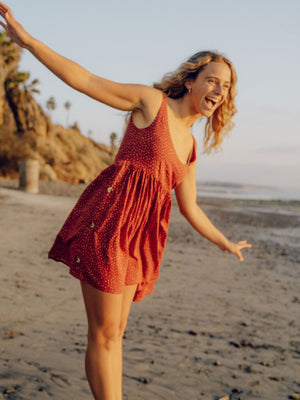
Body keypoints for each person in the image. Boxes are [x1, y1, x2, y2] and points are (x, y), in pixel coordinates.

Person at [0, 3, 252, 400]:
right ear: (191, 81)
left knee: (115, 333)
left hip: (140, 240)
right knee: (101, 333)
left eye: (227, 87)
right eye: (214, 80)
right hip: (109, 221)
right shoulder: (151, 103)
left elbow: (190, 207)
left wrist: (223, 241)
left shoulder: (189, 147)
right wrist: (28, 41)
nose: (220, 91)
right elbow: (84, 80)